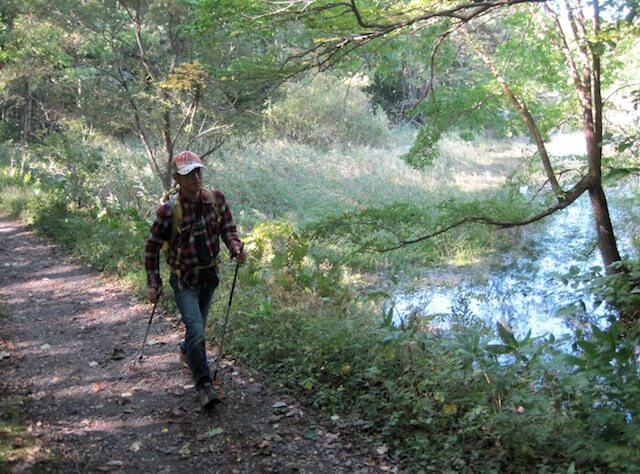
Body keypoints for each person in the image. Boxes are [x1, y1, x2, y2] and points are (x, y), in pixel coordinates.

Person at [144, 150, 246, 409]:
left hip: (209, 276)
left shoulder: (216, 199)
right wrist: (153, 282)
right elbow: (152, 248)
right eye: (189, 173)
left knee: (196, 329)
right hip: (184, 280)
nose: (196, 178)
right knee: (197, 329)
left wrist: (236, 249)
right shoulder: (168, 211)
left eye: (198, 171)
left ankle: (186, 349)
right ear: (177, 177)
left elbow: (228, 229)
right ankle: (204, 386)